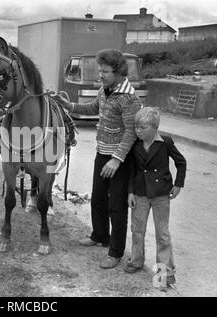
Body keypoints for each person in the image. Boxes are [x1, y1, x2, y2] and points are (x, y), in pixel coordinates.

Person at [55, 49, 143, 269]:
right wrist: (69, 106)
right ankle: (100, 235)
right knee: (98, 199)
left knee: (116, 207)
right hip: (101, 153)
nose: (100, 75)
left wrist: (116, 159)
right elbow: (93, 108)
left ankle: (115, 252)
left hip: (119, 161)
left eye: (104, 71)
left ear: (119, 71)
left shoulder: (129, 98)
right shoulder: (106, 90)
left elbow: (131, 132)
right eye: (100, 71)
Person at [124, 107, 186, 290]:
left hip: (161, 195)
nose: (138, 131)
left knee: (163, 235)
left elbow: (181, 162)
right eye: (136, 127)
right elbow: (132, 171)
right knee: (137, 229)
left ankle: (164, 274)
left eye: (142, 128)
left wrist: (178, 184)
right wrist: (130, 192)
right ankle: (136, 261)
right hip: (140, 193)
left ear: (154, 128)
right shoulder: (135, 145)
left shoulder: (165, 142)